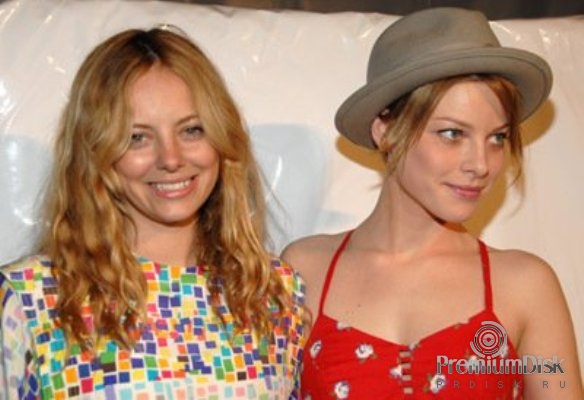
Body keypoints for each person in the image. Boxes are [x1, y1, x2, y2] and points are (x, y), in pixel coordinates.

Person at [282, 7, 583, 399]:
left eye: (497, 138)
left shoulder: (526, 285)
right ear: (385, 132)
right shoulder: (304, 270)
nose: (481, 164)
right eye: (453, 134)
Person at [0, 26, 307, 399]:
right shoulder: (31, 297)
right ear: (94, 154)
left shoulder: (273, 293)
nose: (171, 158)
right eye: (137, 137)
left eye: (192, 130)